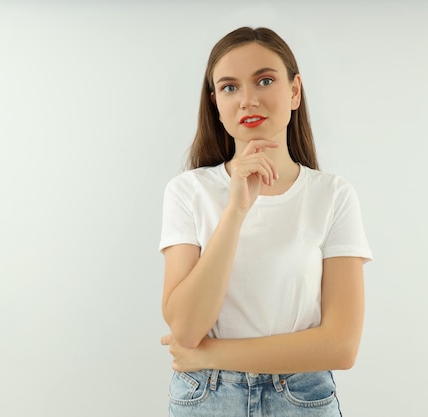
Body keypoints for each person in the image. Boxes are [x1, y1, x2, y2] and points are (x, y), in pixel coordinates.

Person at [159, 26, 373, 417]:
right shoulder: (188, 191)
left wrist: (208, 354)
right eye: (229, 87)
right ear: (216, 104)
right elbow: (186, 327)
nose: (248, 100)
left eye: (265, 80)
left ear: (294, 91)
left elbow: (341, 347)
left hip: (302, 397)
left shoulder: (332, 195)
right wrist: (236, 210)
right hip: (206, 398)